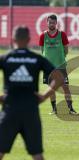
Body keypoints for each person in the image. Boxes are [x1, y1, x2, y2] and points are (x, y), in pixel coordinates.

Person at [0, 26, 63, 160]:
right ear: (29, 39)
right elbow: (59, 77)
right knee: (37, 155)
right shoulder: (36, 58)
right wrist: (45, 96)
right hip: (30, 111)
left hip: (10, 110)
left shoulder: (6, 58)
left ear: (13, 39)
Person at [39, 14, 77, 114]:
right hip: (48, 68)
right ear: (47, 23)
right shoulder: (43, 35)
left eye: (53, 22)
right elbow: (42, 50)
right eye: (50, 22)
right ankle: (54, 109)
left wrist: (60, 58)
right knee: (51, 88)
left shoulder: (62, 34)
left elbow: (66, 49)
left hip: (60, 66)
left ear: (56, 23)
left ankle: (71, 108)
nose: (51, 24)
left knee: (65, 87)